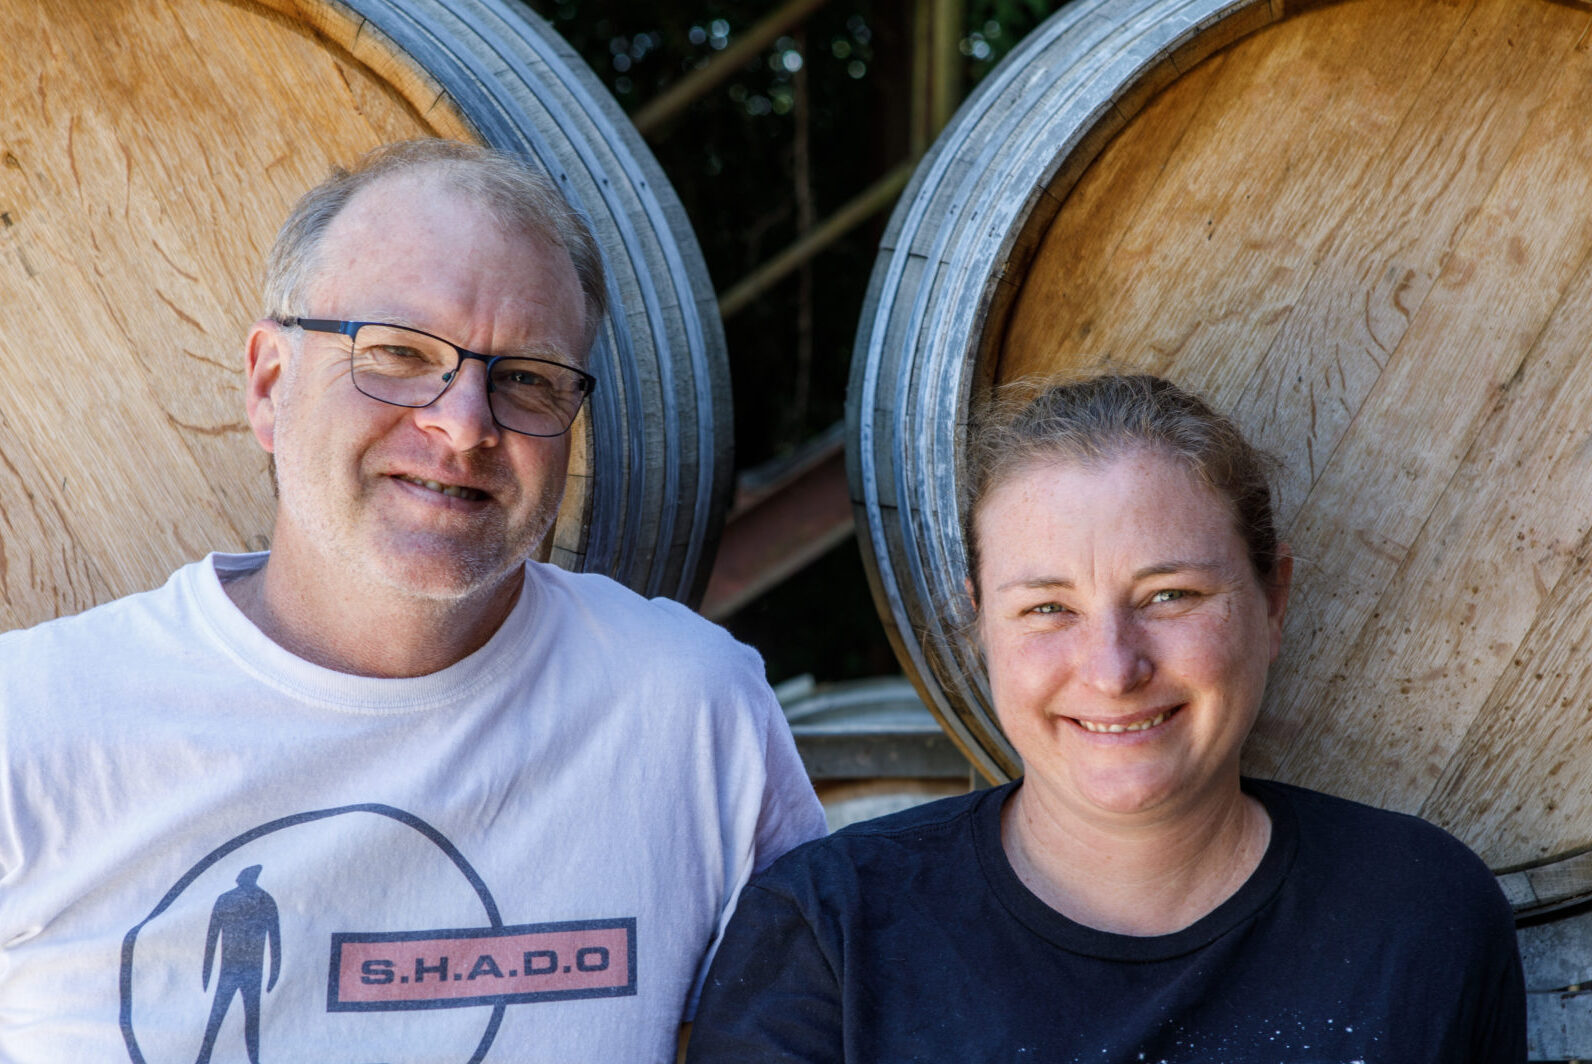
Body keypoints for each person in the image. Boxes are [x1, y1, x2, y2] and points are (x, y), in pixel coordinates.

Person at [0, 139, 826, 1063]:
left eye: (525, 379)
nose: (464, 424)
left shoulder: (692, 712)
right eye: (396, 352)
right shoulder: (30, 724)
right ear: (270, 384)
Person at [686, 374, 1525, 1062]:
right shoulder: (832, 931)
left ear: (1273, 603)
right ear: (981, 626)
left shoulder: (1421, 913)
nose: (1115, 669)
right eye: (1050, 608)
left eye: (1170, 596)